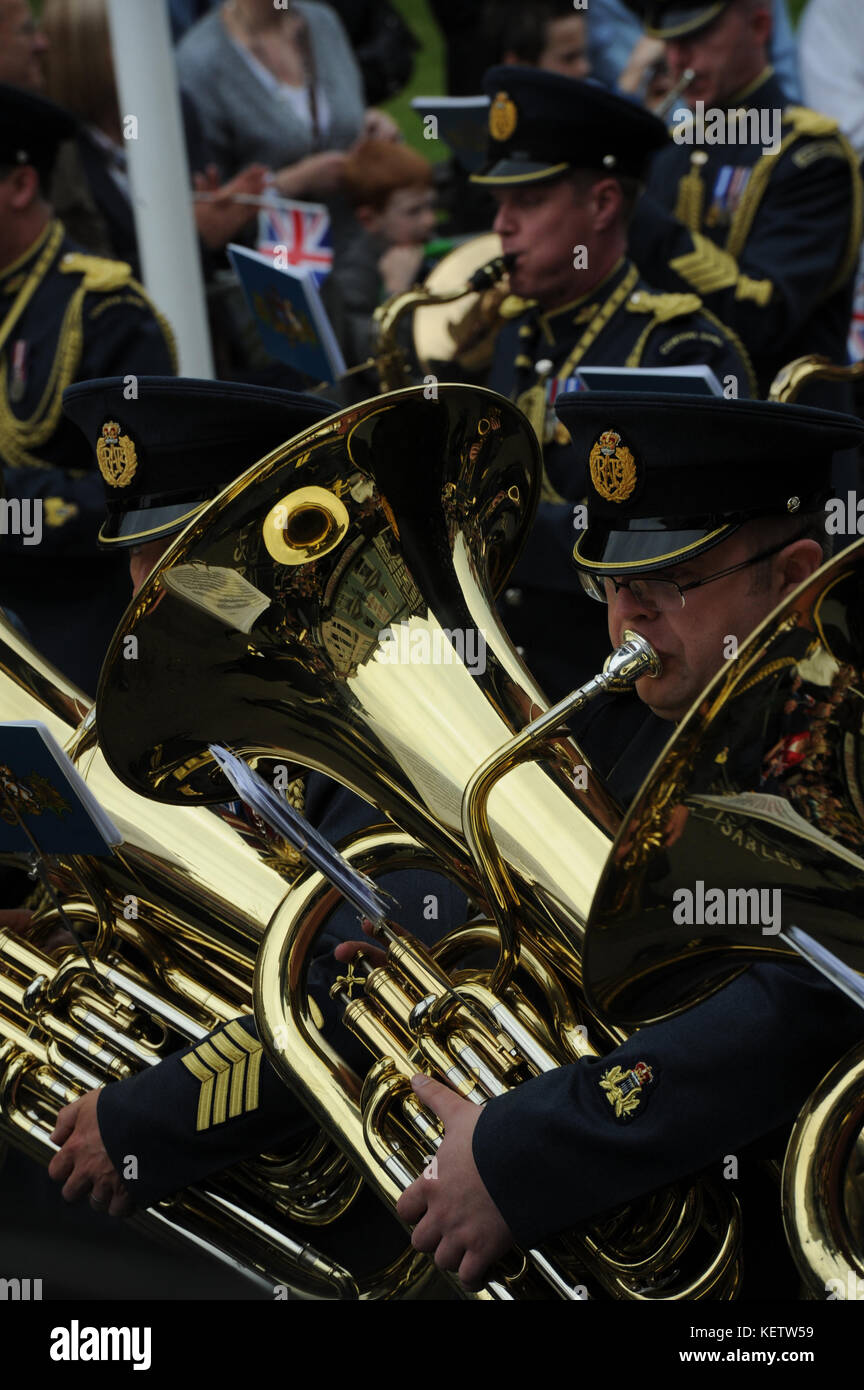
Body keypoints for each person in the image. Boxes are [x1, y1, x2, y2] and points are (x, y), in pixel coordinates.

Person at [382, 391, 864, 1292]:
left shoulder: (843, 739)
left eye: (670, 583)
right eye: (611, 581)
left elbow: (801, 1004)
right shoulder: (644, 718)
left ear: (796, 574)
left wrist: (525, 1152)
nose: (627, 618)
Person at [43, 376, 467, 1221]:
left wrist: (147, 1119)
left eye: (171, 562)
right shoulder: (199, 703)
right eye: (134, 561)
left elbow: (366, 987)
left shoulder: (375, 699)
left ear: (260, 555)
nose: (142, 600)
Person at [470, 66, 756, 698]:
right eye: (500, 204)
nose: (502, 225)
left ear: (602, 204)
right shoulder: (521, 330)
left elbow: (682, 547)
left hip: (618, 681)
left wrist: (483, 527)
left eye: (530, 201)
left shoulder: (677, 346)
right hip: (506, 667)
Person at [0, 84, 176, 694]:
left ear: (21, 187)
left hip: (80, 624)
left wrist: (8, 506)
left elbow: (143, 497)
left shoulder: (105, 311)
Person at [624, 0, 862, 408]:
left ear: (759, 26)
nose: (680, 59)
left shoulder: (811, 156)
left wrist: (636, 213)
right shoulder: (670, 151)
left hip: (787, 441)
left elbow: (762, 317)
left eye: (697, 38)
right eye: (672, 43)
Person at [175, 0, 399, 255]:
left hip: (365, 247)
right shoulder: (199, 60)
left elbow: (339, 118)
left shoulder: (321, 21)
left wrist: (370, 124)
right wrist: (291, 183)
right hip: (275, 261)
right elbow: (210, 205)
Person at [335, 138, 438, 367]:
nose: (429, 220)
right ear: (369, 219)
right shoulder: (353, 279)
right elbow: (375, 363)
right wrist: (395, 293)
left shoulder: (429, 244)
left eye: (430, 206)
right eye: (413, 211)